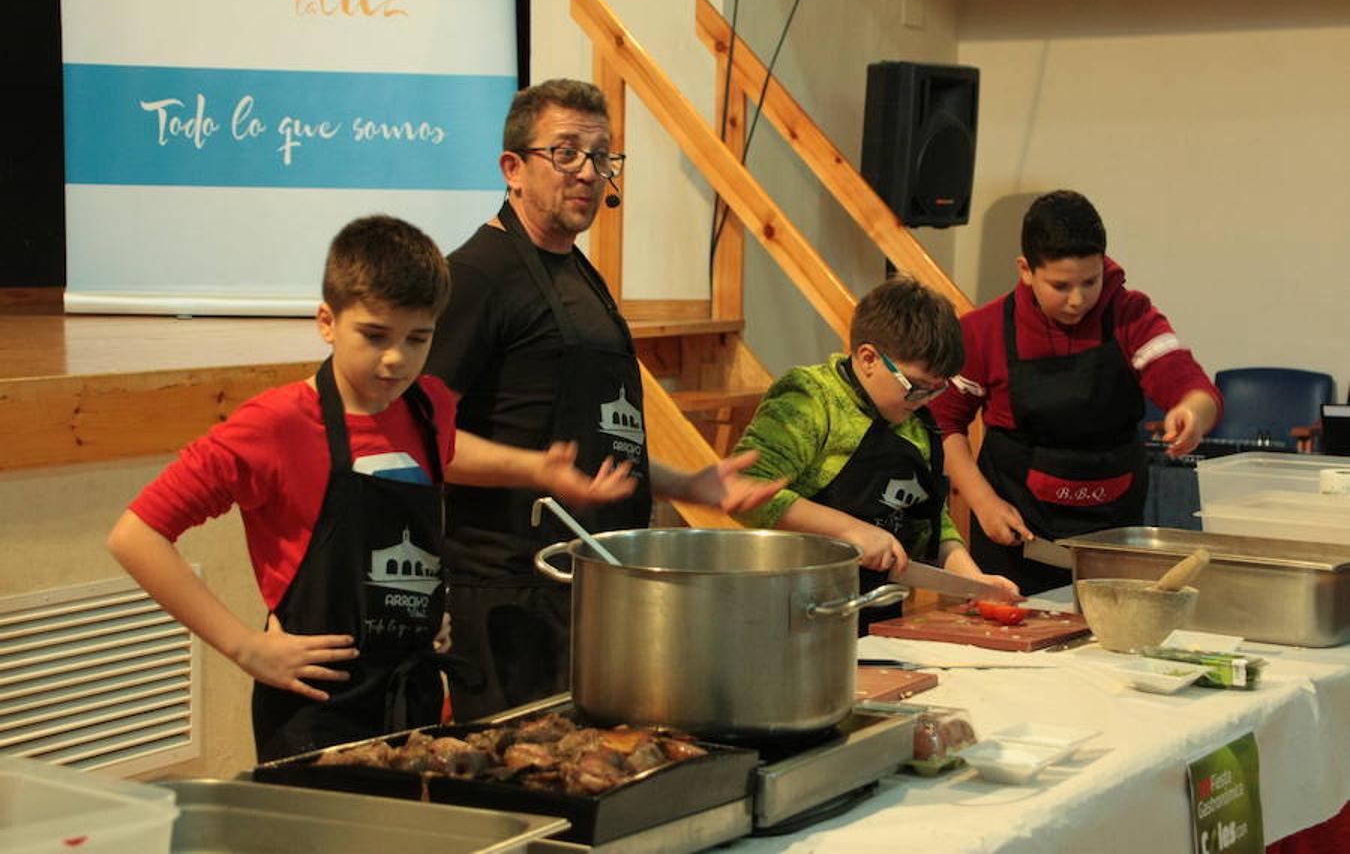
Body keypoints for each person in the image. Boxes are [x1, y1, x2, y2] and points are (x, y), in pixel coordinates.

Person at [107, 215, 633, 761]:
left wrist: (535, 470)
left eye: (418, 338)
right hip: (315, 710)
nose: (395, 358)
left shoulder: (431, 407)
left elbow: (445, 457)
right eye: (375, 335)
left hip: (416, 699)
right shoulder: (275, 425)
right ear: (327, 322)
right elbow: (136, 535)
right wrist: (247, 649)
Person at [424, 79, 783, 720]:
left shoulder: (580, 274)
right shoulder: (476, 277)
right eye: (565, 154)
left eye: (602, 156)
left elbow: (594, 445)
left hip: (591, 584)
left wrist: (686, 484)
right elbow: (420, 436)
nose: (588, 173)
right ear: (513, 168)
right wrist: (533, 471)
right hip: (510, 595)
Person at [931, 190, 1222, 594]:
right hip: (1015, 532)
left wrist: (1193, 412)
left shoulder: (1130, 314)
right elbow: (942, 424)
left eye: (1091, 281)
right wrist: (982, 502)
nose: (1078, 300)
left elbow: (1191, 385)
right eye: (1060, 285)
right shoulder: (984, 330)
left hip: (1112, 532)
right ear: (1025, 270)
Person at [730, 277, 1021, 634]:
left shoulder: (917, 424)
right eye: (915, 387)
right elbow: (745, 491)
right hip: (790, 614)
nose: (926, 401)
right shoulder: (811, 398)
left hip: (876, 614)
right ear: (868, 358)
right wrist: (852, 531)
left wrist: (977, 584)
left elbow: (930, 521)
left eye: (938, 389)